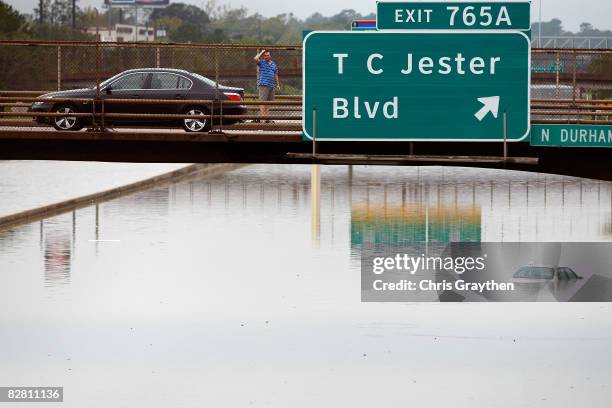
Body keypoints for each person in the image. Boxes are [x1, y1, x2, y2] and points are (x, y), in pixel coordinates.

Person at [253, 49, 280, 123]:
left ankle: (266, 118)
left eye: (267, 55)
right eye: (265, 55)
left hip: (271, 85)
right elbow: (255, 58)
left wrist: (277, 84)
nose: (266, 57)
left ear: (270, 56)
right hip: (263, 85)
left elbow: (276, 74)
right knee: (262, 102)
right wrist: (261, 52)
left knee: (268, 103)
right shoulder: (261, 62)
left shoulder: (274, 64)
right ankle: (263, 119)